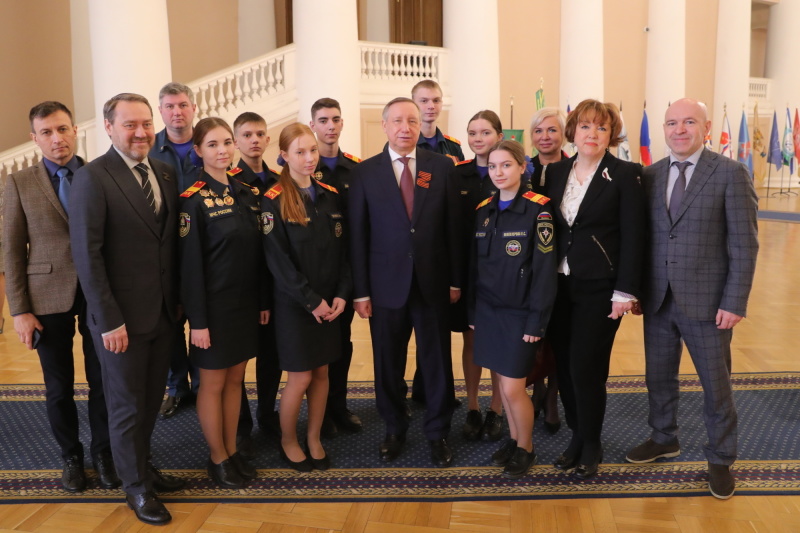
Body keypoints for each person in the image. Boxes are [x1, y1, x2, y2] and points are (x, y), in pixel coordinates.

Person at [625, 98, 759, 500]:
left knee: (716, 388)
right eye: (671, 123)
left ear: (704, 127)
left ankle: (720, 459)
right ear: (663, 130)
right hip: (659, 300)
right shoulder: (649, 176)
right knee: (658, 378)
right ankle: (664, 436)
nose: (678, 130)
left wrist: (735, 301)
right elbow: (644, 239)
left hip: (710, 304)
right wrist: (636, 290)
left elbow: (745, 244)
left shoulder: (730, 174)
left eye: (687, 122)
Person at [70, 93, 184, 525]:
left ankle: (143, 467)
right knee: (126, 407)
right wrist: (108, 319)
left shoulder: (166, 172)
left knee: (151, 400)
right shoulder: (93, 179)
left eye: (145, 123)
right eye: (130, 125)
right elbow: (88, 256)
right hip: (120, 320)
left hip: (162, 314)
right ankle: (135, 489)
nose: (140, 132)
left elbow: (167, 245)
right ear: (109, 127)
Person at [3, 101, 118, 493]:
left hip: (99, 292)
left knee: (103, 378)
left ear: (76, 131)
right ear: (35, 139)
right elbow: (12, 250)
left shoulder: (99, 174)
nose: (58, 139)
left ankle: (104, 454)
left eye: (63, 129)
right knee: (58, 385)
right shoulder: (19, 183)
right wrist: (19, 310)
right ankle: (71, 456)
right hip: (46, 294)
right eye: (47, 132)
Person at [349, 97, 462, 468]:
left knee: (436, 362)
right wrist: (361, 292)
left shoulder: (441, 167)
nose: (405, 128)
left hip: (433, 285)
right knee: (387, 363)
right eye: (397, 121)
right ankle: (394, 428)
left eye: (412, 121)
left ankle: (437, 432)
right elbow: (358, 238)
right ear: (383, 125)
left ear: (421, 125)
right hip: (384, 288)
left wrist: (456, 280)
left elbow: (451, 230)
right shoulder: (365, 173)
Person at [546, 99, 645, 480]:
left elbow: (634, 235)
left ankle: (591, 443)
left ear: (611, 135)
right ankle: (576, 436)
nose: (592, 134)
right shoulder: (554, 174)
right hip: (557, 285)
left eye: (601, 128)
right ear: (572, 132)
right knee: (565, 368)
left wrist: (626, 291)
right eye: (585, 127)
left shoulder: (624, 174)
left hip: (600, 288)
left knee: (586, 368)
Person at [179, 117, 268, 488]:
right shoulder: (192, 199)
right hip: (212, 312)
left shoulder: (247, 191)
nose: (223, 150)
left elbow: (259, 255)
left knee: (236, 382)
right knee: (212, 385)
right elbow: (189, 266)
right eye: (213, 144)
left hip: (244, 307)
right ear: (198, 151)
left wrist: (262, 301)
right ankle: (217, 458)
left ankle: (231, 452)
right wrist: (197, 321)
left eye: (227, 143)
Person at [261, 123, 351, 472]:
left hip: (331, 306)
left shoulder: (328, 195)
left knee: (322, 374)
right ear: (283, 156)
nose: (309, 157)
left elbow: (344, 254)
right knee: (300, 378)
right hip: (297, 308)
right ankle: (289, 440)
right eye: (300, 152)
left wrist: (342, 295)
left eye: (312, 150)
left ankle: (314, 437)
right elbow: (278, 263)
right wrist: (312, 301)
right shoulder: (273, 201)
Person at [468, 139, 557, 478]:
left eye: (506, 165)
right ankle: (514, 438)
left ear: (522, 167)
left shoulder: (539, 210)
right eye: (493, 166)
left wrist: (537, 322)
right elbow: (476, 269)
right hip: (489, 313)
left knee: (512, 387)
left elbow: (545, 274)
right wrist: (473, 315)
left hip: (521, 315)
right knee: (501, 386)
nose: (499, 172)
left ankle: (526, 448)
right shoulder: (484, 210)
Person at [308, 97, 363, 438]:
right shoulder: (301, 169)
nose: (330, 126)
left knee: (342, 344)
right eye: (323, 120)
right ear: (312, 125)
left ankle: (339, 407)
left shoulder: (356, 170)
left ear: (342, 124)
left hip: (345, 274)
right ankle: (320, 412)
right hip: (312, 277)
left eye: (336, 119)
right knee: (316, 350)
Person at [453, 110, 506, 441]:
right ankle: (473, 406)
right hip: (468, 272)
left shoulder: (511, 172)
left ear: (499, 136)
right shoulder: (457, 174)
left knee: (499, 345)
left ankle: (496, 409)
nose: (477, 139)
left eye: (485, 133)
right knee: (470, 341)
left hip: (502, 274)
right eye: (472, 133)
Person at [149, 82, 201, 420]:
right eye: (169, 106)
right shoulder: (149, 148)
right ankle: (177, 387)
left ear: (193, 108)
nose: (176, 112)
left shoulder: (210, 142)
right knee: (170, 325)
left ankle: (203, 385)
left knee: (202, 320)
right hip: (163, 250)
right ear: (161, 111)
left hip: (204, 249)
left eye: (182, 105)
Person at [231, 111, 283, 454]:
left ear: (267, 140)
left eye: (260, 134)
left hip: (277, 284)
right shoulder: (228, 182)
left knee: (272, 357)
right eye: (246, 134)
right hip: (242, 286)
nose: (254, 140)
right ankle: (240, 426)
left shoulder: (281, 181)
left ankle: (267, 413)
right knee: (238, 362)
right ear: (236, 142)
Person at [527, 107, 569, 434]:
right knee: (533, 332)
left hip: (564, 265)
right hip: (527, 264)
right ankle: (536, 388)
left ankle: (552, 395)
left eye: (552, 130)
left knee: (558, 335)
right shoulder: (522, 168)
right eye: (539, 131)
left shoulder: (574, 169)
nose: (545, 137)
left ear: (563, 135)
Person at [412, 79, 464, 163]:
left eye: (436, 100)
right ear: (413, 104)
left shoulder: (453, 146)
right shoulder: (403, 144)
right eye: (424, 101)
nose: (431, 106)